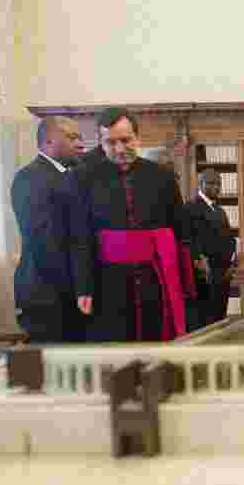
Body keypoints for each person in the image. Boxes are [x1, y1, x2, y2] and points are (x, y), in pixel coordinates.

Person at [66, 107, 191, 342]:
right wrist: (84, 287)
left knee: (156, 352)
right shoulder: (82, 178)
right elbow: (80, 237)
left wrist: (184, 279)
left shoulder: (162, 176)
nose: (120, 149)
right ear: (100, 143)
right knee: (114, 356)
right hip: (107, 282)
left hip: (155, 279)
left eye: (126, 140)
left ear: (138, 137)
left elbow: (179, 230)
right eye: (110, 142)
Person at [12, 115, 86, 343]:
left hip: (65, 294)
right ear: (49, 140)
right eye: (72, 137)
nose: (80, 144)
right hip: (47, 296)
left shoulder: (69, 175)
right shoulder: (30, 177)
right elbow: (45, 241)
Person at [183, 169, 237, 329]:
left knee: (220, 317)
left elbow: (229, 239)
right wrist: (199, 261)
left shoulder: (219, 210)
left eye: (219, 184)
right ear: (200, 185)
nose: (217, 187)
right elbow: (190, 239)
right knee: (206, 320)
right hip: (206, 273)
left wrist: (233, 264)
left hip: (224, 273)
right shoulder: (191, 208)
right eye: (212, 183)